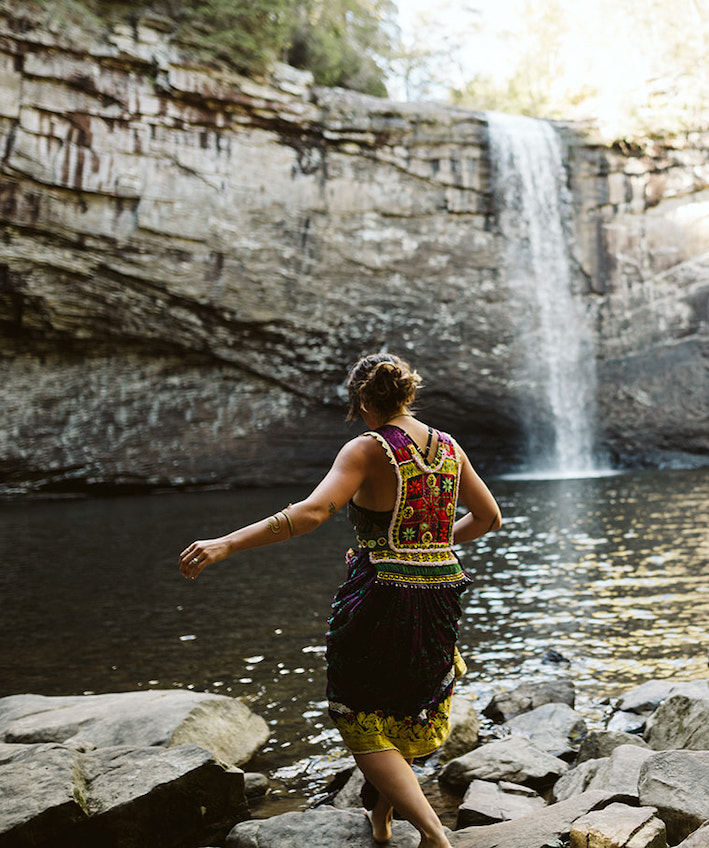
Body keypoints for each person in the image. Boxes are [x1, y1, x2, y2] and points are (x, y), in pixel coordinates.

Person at [179, 353, 501, 847]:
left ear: (363, 401)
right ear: (407, 394)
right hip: (440, 594)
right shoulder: (449, 447)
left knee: (357, 713)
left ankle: (435, 833)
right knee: (403, 705)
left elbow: (310, 514)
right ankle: (381, 819)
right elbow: (487, 518)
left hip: (382, 596)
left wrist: (226, 543)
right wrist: (430, 546)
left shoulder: (368, 448)